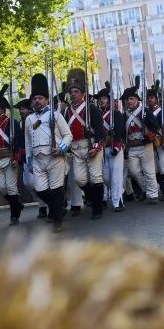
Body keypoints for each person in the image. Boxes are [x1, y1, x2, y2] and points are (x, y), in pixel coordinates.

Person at [24, 73, 72, 232]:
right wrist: (29, 159)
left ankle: (58, 221)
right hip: (37, 160)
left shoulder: (56, 115)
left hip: (55, 157)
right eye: (35, 98)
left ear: (46, 100)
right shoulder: (29, 119)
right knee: (40, 190)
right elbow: (28, 142)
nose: (37, 101)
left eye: (40, 98)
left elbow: (68, 135)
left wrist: (62, 147)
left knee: (57, 190)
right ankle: (58, 209)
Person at [63, 68, 106, 219]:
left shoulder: (91, 108)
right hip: (75, 148)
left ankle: (97, 209)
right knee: (79, 179)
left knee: (96, 178)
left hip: (91, 146)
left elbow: (100, 131)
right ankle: (94, 198)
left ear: (82, 93)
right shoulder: (66, 111)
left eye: (76, 91)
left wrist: (96, 147)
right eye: (71, 92)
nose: (73, 94)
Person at [0, 86, 24, 225]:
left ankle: (14, 215)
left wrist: (17, 158)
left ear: (3, 109)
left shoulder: (12, 123)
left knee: (11, 187)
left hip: (10, 158)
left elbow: (19, 142)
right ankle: (17, 205)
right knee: (1, 188)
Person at [122, 83, 160, 204]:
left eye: (131, 98)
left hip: (145, 145)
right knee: (134, 171)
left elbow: (155, 127)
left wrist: (149, 136)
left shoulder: (145, 111)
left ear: (137, 99)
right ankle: (145, 189)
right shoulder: (125, 115)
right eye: (127, 99)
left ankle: (153, 194)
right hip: (132, 146)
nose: (129, 101)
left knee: (149, 171)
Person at [14, 98, 48, 219]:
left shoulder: (36, 120)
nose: (21, 111)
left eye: (23, 109)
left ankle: (44, 206)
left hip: (39, 154)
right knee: (28, 183)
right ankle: (43, 203)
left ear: (29, 109)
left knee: (41, 183)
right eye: (20, 110)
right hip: (25, 157)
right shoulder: (19, 123)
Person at [95, 83, 125, 211]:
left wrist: (117, 146)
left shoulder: (116, 114)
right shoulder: (96, 115)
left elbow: (120, 131)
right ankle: (119, 191)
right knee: (106, 177)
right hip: (102, 148)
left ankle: (117, 202)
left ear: (109, 100)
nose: (101, 100)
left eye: (104, 98)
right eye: (100, 99)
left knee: (116, 176)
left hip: (114, 147)